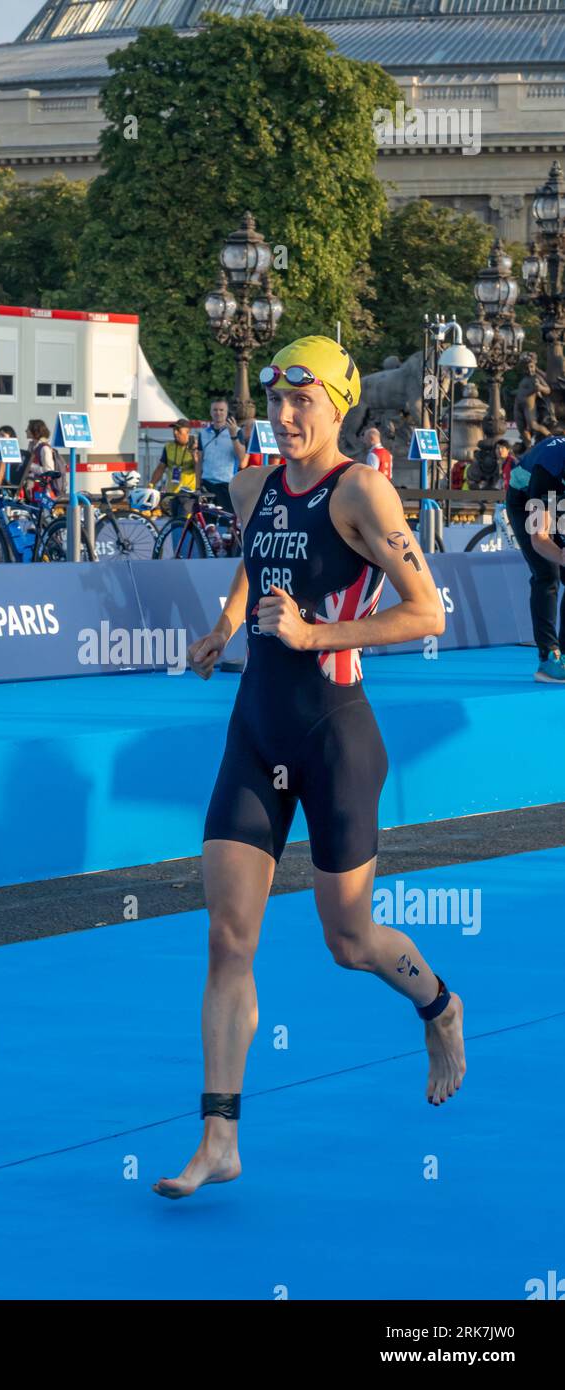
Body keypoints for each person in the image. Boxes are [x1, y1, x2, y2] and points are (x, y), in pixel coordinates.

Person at [153, 335, 464, 1201]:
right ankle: (219, 1137)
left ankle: (439, 1006)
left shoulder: (361, 489)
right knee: (227, 936)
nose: (286, 419)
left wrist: (313, 636)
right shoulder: (252, 484)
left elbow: (427, 611)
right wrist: (227, 622)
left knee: (348, 940)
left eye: (304, 404)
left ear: (338, 407)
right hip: (256, 729)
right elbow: (260, 563)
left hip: (335, 737)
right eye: (277, 402)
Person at [506, 432, 565, 682]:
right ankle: (548, 658)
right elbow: (539, 538)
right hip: (525, 499)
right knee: (546, 572)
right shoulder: (547, 472)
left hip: (559, 498)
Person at [198, 397, 247, 511]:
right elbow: (199, 460)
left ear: (226, 412)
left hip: (226, 483)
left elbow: (241, 457)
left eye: (221, 410)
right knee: (207, 524)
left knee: (226, 523)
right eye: (215, 410)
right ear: (210, 412)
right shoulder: (203, 433)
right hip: (207, 483)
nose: (218, 413)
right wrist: (197, 485)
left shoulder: (237, 431)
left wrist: (233, 435)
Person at [151, 418, 200, 517]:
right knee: (174, 523)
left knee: (184, 522)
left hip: (188, 493)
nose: (175, 433)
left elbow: (199, 469)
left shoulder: (196, 447)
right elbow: (161, 467)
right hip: (172, 493)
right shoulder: (169, 446)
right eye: (174, 430)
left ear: (188, 432)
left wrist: (194, 454)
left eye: (179, 430)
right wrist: (151, 484)